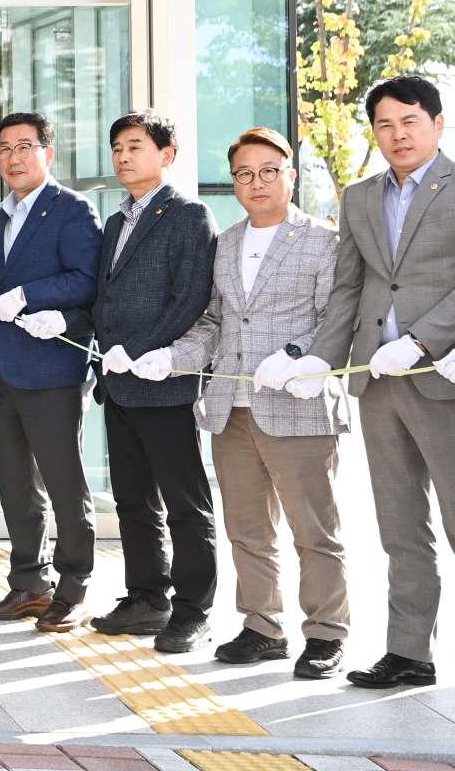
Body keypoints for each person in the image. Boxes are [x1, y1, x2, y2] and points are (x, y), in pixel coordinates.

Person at [165, 127, 347, 680]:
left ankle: (326, 632)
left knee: (313, 530)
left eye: (269, 171)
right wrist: (171, 357)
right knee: (247, 529)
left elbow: (335, 319)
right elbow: (215, 321)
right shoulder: (225, 243)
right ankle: (263, 626)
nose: (257, 182)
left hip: (298, 404)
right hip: (231, 408)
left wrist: (295, 357)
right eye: (244, 173)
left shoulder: (323, 241)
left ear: (290, 175)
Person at [296, 76, 455, 689]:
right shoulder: (361, 196)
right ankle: (410, 652)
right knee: (399, 524)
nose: (397, 134)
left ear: (437, 124)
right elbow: (350, 287)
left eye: (410, 121)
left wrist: (422, 341)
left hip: (441, 376)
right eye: (385, 124)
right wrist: (321, 359)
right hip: (377, 381)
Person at [89, 109, 218, 653]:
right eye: (118, 147)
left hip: (163, 381)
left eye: (135, 146)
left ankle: (193, 611)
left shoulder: (188, 214)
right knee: (133, 502)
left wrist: (139, 351)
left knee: (185, 504)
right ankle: (146, 598)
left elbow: (191, 298)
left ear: (167, 154)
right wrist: (106, 352)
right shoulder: (115, 221)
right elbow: (106, 296)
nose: (123, 156)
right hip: (118, 383)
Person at [0, 113, 102, 633]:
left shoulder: (72, 209)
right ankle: (29, 582)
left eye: (24, 146)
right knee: (17, 488)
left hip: (53, 371)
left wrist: (30, 295)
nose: (13, 158)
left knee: (64, 486)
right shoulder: (4, 213)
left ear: (48, 152)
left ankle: (74, 589)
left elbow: (86, 278)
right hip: (5, 367)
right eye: (4, 149)